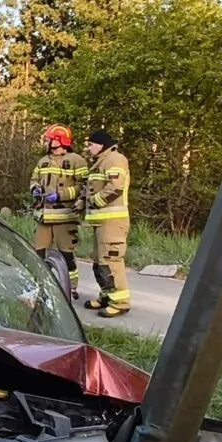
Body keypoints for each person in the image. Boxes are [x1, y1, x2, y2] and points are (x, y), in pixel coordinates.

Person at [29, 124, 88, 299]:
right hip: (43, 216)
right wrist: (35, 189)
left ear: (61, 140)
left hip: (65, 216)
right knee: (39, 252)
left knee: (67, 254)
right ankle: (39, 285)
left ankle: (71, 288)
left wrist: (61, 195)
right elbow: (34, 178)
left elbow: (83, 186)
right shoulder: (43, 161)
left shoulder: (77, 160)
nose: (48, 142)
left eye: (51, 139)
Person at [83, 130, 131, 318]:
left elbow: (115, 188)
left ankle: (120, 302)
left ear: (101, 144)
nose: (88, 148)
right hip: (101, 222)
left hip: (113, 222)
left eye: (91, 144)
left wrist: (95, 200)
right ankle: (107, 295)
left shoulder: (115, 159)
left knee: (111, 262)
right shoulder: (101, 162)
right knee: (100, 262)